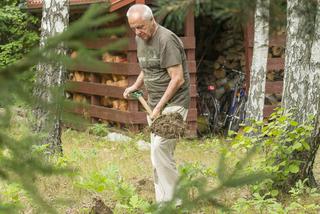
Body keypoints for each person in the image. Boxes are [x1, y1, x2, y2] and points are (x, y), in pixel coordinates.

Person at [123, 4, 190, 203]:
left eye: (141, 27)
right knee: (157, 155)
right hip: (153, 104)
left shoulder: (166, 39)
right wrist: (135, 85)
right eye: (133, 28)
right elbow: (148, 65)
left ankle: (176, 201)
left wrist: (159, 108)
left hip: (174, 103)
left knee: (160, 148)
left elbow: (178, 79)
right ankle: (164, 201)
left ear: (152, 20)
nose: (138, 32)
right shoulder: (139, 38)